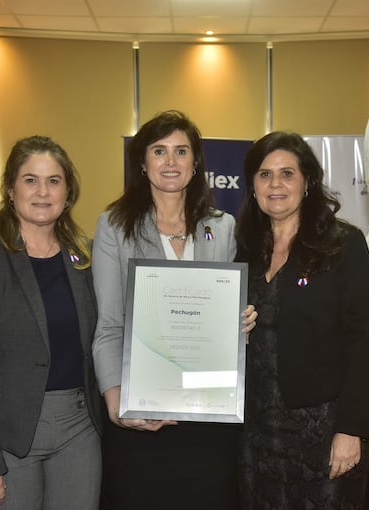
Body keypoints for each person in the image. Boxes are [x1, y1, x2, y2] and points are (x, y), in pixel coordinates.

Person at [92, 110, 256, 510]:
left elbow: (223, 318)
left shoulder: (223, 226)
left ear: (196, 162)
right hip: (142, 413)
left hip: (208, 414)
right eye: (159, 151)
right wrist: (118, 404)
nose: (170, 162)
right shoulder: (114, 226)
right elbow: (110, 325)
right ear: (143, 164)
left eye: (181, 151)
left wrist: (241, 323)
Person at [0, 135, 103, 509]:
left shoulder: (87, 256)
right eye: (30, 180)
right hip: (3, 436)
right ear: (11, 190)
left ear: (68, 191)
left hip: (79, 431)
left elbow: (117, 328)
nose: (43, 191)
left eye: (54, 180)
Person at [235, 131, 369, 509]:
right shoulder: (246, 252)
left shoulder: (342, 244)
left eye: (287, 173)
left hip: (323, 429)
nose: (275, 184)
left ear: (308, 182)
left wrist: (350, 430)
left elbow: (362, 342)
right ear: (252, 185)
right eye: (265, 175)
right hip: (257, 432)